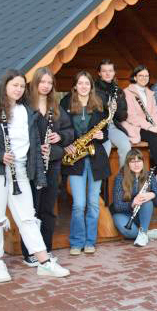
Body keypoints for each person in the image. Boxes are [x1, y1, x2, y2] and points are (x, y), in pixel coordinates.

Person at [0, 69, 70, 282]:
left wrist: (39, 151)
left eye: (22, 86)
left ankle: (43, 262)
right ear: (5, 85)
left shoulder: (26, 111)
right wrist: (0, 155)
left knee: (28, 217)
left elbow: (30, 141)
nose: (18, 89)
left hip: (20, 171)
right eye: (15, 85)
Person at [20, 67, 73, 266]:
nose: (46, 86)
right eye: (42, 82)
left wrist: (60, 137)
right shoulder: (24, 106)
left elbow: (69, 131)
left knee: (48, 208)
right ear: (35, 83)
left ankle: (46, 250)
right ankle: (29, 253)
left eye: (49, 83)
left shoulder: (56, 107)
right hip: (32, 165)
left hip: (52, 163)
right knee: (31, 209)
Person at [60, 71, 112, 255]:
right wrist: (66, 144)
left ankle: (90, 241)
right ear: (75, 85)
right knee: (79, 204)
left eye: (87, 83)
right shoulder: (66, 103)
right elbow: (61, 129)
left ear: (91, 86)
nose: (83, 86)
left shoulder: (99, 104)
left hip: (95, 157)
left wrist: (101, 135)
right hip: (76, 159)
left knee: (93, 203)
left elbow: (106, 131)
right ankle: (76, 241)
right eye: (80, 83)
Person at [122, 65, 157, 192]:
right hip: (136, 126)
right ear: (135, 77)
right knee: (156, 140)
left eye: (146, 76)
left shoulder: (150, 93)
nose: (144, 78)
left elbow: (155, 113)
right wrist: (151, 127)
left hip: (152, 126)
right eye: (141, 75)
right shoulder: (127, 93)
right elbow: (131, 116)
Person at [110, 149, 157, 246]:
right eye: (133, 161)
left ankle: (142, 233)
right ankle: (145, 234)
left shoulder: (149, 176)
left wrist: (153, 194)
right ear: (128, 164)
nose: (136, 164)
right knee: (128, 232)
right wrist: (133, 203)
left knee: (147, 202)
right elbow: (117, 206)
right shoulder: (120, 178)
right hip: (123, 214)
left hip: (141, 215)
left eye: (139, 161)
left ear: (143, 162)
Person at [95, 59, 130, 167]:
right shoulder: (93, 89)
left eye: (110, 70)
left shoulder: (118, 91)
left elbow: (123, 115)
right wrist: (106, 107)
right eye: (104, 71)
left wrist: (117, 108)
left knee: (126, 146)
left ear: (114, 73)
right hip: (97, 127)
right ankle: (101, 181)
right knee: (105, 147)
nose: (107, 73)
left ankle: (122, 179)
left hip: (112, 126)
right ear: (99, 73)